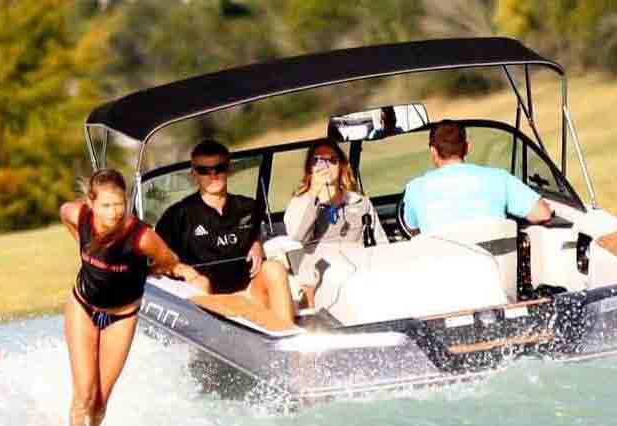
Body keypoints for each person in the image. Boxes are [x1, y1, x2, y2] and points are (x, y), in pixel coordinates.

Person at [61, 168, 204, 426]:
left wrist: (147, 271)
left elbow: (169, 261)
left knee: (99, 401)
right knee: (84, 391)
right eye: (105, 205)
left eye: (119, 204)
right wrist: (84, 249)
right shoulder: (78, 214)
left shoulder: (141, 238)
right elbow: (65, 214)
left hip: (122, 315)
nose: (113, 213)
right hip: (83, 306)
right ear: (91, 203)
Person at [154, 139, 294, 326]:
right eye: (204, 170)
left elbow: (254, 236)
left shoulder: (249, 207)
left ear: (229, 169)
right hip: (208, 299)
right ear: (194, 174)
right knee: (199, 284)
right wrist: (185, 270)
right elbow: (157, 259)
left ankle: (286, 333)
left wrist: (257, 243)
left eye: (219, 168)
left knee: (275, 268)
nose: (213, 175)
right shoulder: (178, 214)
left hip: (249, 292)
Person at [283, 138, 389, 306]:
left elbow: (381, 243)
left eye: (331, 160)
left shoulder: (360, 202)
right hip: (319, 276)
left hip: (358, 269)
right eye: (317, 161)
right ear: (309, 169)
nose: (324, 166)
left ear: (341, 166)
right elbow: (296, 235)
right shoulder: (301, 202)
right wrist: (314, 193)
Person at [402, 120, 553, 235]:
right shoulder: (499, 178)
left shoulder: (415, 189)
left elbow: (413, 230)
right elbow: (542, 213)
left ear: (433, 151)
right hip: (498, 274)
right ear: (467, 148)